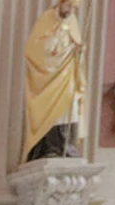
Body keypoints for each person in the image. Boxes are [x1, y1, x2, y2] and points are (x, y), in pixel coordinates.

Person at [23, 0, 86, 160]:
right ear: (61, 3)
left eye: (74, 8)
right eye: (69, 6)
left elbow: (76, 45)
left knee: (69, 107)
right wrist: (55, 39)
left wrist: (80, 50)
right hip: (49, 77)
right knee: (51, 111)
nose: (71, 10)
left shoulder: (72, 22)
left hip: (67, 74)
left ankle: (66, 145)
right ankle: (50, 147)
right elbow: (33, 49)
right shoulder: (47, 19)